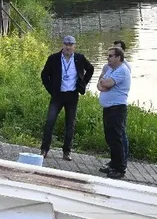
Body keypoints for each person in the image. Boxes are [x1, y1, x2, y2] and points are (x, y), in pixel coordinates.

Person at [39, 35, 93, 160]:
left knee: (70, 124)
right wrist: (51, 89)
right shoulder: (54, 58)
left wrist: (83, 83)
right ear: (62, 45)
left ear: (74, 46)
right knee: (50, 122)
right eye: (66, 44)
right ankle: (44, 149)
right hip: (58, 94)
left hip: (72, 95)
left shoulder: (79, 58)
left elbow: (90, 69)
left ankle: (67, 151)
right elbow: (44, 75)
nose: (68, 47)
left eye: (71, 45)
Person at [97, 42, 131, 179]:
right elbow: (100, 83)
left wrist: (104, 84)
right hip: (109, 108)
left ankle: (120, 168)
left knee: (117, 138)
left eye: (110, 56)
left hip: (117, 108)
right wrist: (103, 84)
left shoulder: (122, 70)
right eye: (107, 56)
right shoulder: (110, 69)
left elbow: (105, 83)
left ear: (119, 57)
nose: (108, 58)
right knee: (110, 138)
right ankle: (113, 163)